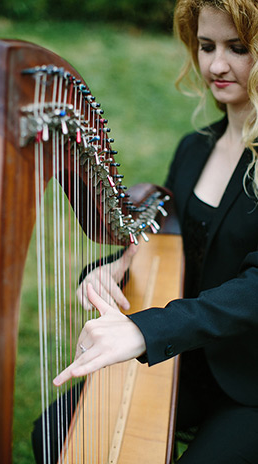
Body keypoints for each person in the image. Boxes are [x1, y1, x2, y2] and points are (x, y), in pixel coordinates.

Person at [53, 0, 258, 462]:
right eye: (206, 46)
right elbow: (172, 249)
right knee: (55, 432)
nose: (217, 64)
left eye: (238, 47)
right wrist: (111, 270)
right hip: (187, 354)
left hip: (250, 380)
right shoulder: (193, 149)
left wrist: (145, 331)